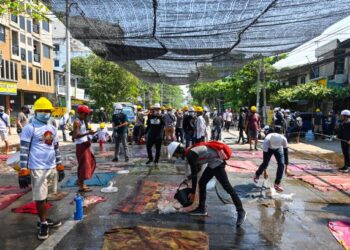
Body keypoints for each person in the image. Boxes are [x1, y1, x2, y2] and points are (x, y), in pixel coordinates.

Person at [168, 142, 247, 226]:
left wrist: (193, 193)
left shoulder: (190, 154)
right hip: (212, 162)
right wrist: (188, 178)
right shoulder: (190, 152)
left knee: (227, 187)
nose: (177, 157)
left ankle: (241, 211)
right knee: (202, 182)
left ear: (178, 151)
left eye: (176, 155)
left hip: (217, 162)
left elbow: (195, 175)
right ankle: (201, 209)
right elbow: (197, 169)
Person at [19, 97, 64, 240]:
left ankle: (42, 219)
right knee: (40, 198)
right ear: (36, 112)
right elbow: (24, 150)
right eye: (42, 110)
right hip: (37, 168)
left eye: (47, 110)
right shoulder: (29, 128)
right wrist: (23, 170)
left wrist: (60, 165)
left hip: (51, 167)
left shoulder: (52, 128)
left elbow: (55, 148)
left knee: (46, 196)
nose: (45, 113)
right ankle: (43, 223)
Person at [254, 127, 289, 192]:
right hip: (269, 148)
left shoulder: (284, 139)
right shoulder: (267, 140)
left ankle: (277, 184)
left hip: (278, 149)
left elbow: (286, 154)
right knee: (266, 163)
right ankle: (257, 175)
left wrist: (286, 167)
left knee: (281, 164)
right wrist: (265, 171)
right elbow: (265, 161)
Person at [73, 105, 96, 192]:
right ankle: (81, 184)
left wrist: (89, 134)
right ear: (80, 113)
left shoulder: (82, 121)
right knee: (83, 165)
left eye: (87, 114)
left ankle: (80, 181)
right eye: (85, 114)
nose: (86, 116)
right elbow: (75, 136)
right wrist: (87, 133)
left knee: (90, 162)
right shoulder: (77, 122)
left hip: (85, 144)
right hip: (81, 146)